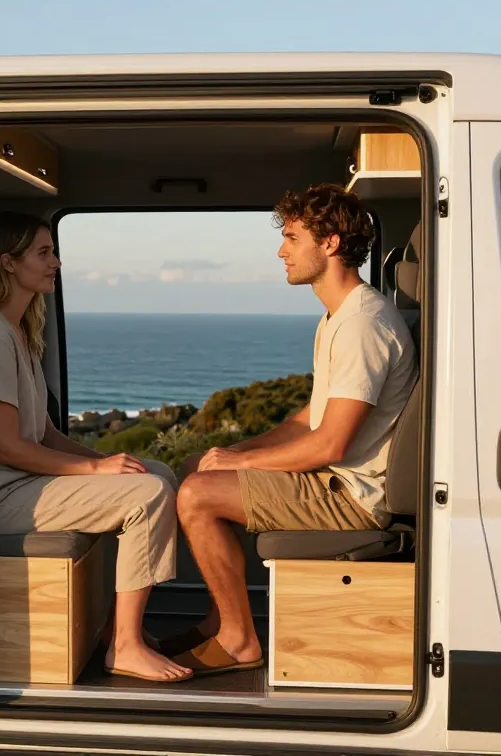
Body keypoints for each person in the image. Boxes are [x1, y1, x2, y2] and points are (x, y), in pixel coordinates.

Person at [165, 183, 419, 676]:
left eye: (293, 238)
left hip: (351, 496)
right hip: (333, 479)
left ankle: (239, 641)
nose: (282, 251)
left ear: (330, 244)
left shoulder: (363, 324)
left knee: (197, 495)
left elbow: (331, 443)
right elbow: (308, 418)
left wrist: (240, 462)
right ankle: (221, 621)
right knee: (198, 466)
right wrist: (233, 450)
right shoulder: (339, 316)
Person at [0, 211, 192, 683]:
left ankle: (113, 629)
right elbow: (8, 448)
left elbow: (46, 436)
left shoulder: (17, 332)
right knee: (148, 496)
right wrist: (98, 473)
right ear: (8, 263)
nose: (55, 262)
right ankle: (125, 647)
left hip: (23, 483)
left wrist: (106, 461)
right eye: (43, 253)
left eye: (53, 252)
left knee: (154, 473)